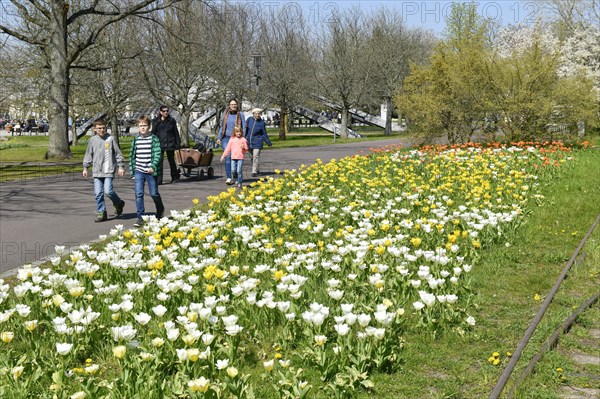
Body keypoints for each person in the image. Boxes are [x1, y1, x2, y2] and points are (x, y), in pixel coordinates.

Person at [82, 119, 126, 222]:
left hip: (108, 169)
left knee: (108, 191)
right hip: (97, 170)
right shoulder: (92, 140)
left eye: (103, 128)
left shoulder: (110, 139)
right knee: (98, 193)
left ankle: (119, 203)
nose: (101, 130)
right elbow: (88, 154)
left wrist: (121, 166)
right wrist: (85, 167)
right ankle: (102, 212)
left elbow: (118, 154)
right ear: (95, 129)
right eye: (99, 128)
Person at [130, 115, 165, 227]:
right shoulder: (136, 139)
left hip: (150, 171)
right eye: (140, 126)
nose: (143, 128)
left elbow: (157, 154)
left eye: (145, 125)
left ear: (149, 126)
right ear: (138, 127)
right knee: (138, 194)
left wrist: (153, 166)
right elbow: (132, 156)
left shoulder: (153, 139)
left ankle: (160, 209)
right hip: (139, 170)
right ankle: (141, 217)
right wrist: (133, 171)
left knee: (154, 193)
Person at [216, 99, 245, 185]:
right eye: (232, 104)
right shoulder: (226, 115)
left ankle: (235, 176)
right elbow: (222, 126)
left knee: (235, 157)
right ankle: (229, 177)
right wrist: (219, 137)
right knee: (228, 157)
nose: (233, 106)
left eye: (235, 104)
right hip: (226, 138)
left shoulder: (241, 115)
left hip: (237, 138)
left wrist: (243, 139)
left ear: (237, 105)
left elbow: (244, 126)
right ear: (229, 105)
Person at [151, 105, 181, 185]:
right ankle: (159, 180)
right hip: (160, 143)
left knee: (171, 161)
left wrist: (178, 143)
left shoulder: (171, 121)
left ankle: (174, 177)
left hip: (170, 143)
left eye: (167, 111)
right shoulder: (155, 121)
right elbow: (153, 133)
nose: (166, 112)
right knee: (159, 162)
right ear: (160, 112)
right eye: (164, 111)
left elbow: (176, 132)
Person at [245, 108, 272, 177]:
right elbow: (245, 129)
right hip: (249, 141)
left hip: (258, 141)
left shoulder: (261, 122)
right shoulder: (249, 120)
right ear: (253, 114)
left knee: (255, 156)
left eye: (258, 114)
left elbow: (264, 133)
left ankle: (254, 171)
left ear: (260, 114)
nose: (257, 115)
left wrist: (268, 142)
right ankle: (257, 168)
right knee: (251, 157)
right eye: (255, 114)